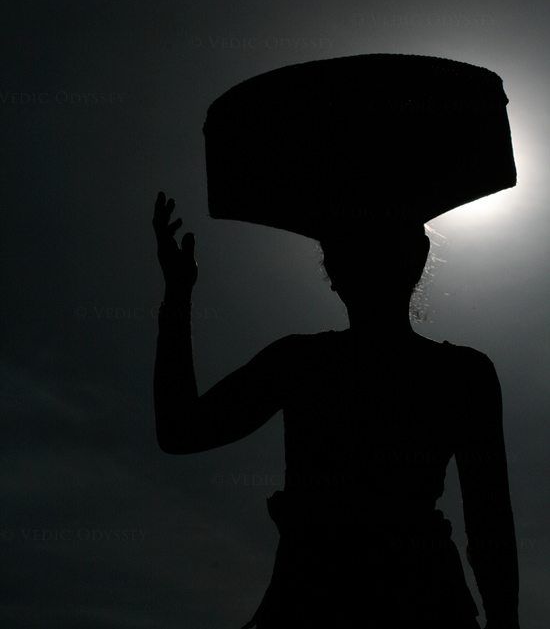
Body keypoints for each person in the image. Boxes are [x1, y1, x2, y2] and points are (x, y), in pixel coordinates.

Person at [152, 191, 521, 629]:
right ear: (418, 259)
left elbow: (181, 431)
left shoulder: (302, 364)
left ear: (332, 271)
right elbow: (489, 525)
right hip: (415, 599)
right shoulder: (461, 375)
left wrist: (177, 297)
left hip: (320, 598)